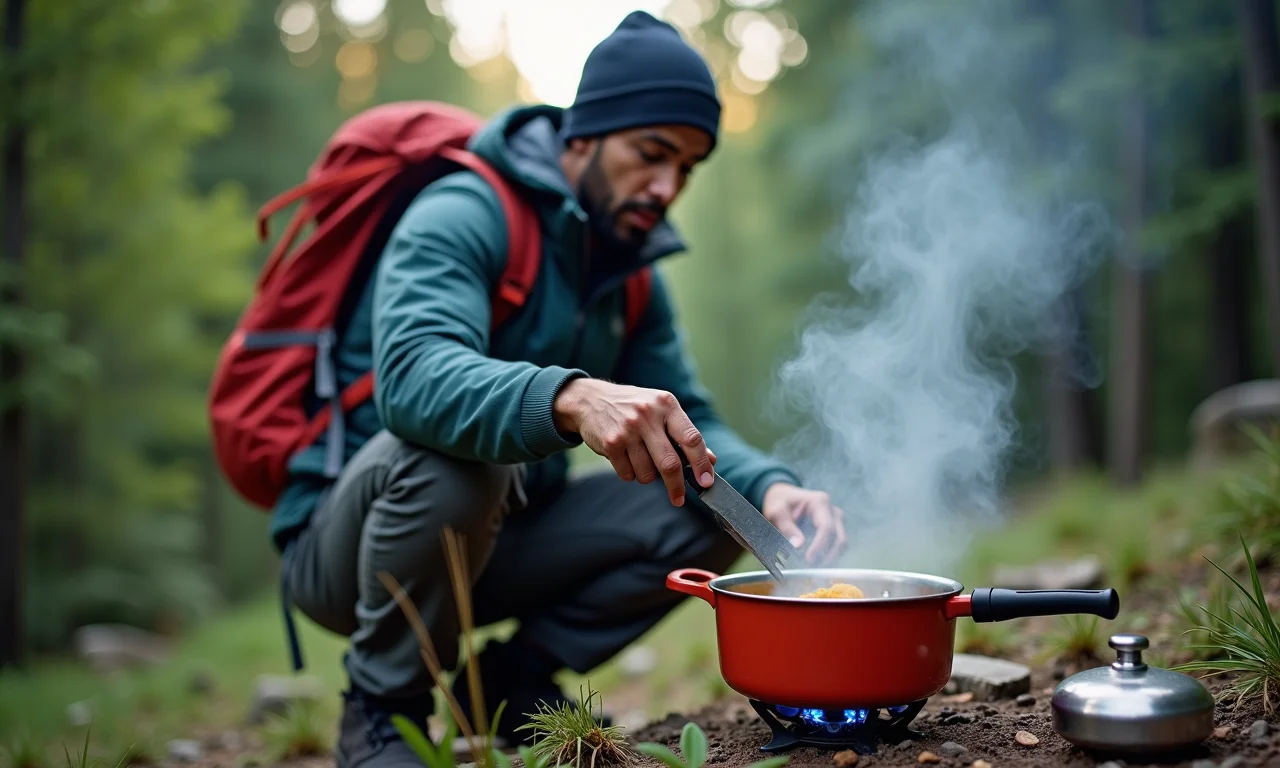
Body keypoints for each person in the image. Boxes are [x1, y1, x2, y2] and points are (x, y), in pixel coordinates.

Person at [272, 11, 847, 768]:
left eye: (688, 167)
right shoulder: (462, 211)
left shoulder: (630, 276)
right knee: (458, 457)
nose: (667, 185)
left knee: (708, 493)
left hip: (496, 538)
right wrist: (572, 396)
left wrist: (770, 489)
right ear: (584, 136)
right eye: (652, 153)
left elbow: (691, 417)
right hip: (352, 550)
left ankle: (513, 682)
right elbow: (410, 378)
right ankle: (384, 711)